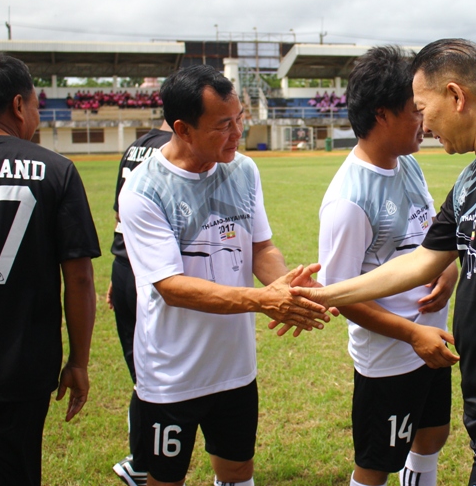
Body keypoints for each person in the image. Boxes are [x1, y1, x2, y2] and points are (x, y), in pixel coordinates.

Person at [292, 38, 476, 486]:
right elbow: (421, 262)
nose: (425, 123)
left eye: (423, 107)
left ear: (455, 96)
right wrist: (319, 295)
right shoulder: (474, 173)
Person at [118, 65, 335, 486]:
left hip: (234, 368)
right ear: (182, 129)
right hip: (172, 373)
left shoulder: (242, 170)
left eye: (239, 119)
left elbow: (261, 248)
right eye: (223, 125)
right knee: (165, 478)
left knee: (237, 470)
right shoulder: (144, 191)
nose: (238, 133)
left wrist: (287, 286)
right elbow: (171, 288)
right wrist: (264, 300)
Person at [317, 45, 459, 486]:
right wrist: (412, 334)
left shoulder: (408, 165)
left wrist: (448, 271)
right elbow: (340, 296)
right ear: (382, 114)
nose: (425, 120)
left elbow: (431, 232)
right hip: (390, 357)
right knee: (378, 464)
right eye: (415, 109)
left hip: (429, 341)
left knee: (431, 437)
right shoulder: (348, 200)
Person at [0, 54, 100, 486]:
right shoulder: (56, 170)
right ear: (19, 106)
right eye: (37, 105)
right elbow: (79, 278)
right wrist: (78, 360)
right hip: (22, 363)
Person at [108, 122, 174, 486]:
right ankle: (142, 460)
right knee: (156, 374)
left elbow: (122, 217)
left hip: (125, 266)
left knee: (143, 369)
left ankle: (140, 458)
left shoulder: (136, 146)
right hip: (154, 274)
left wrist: (119, 272)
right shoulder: (176, 149)